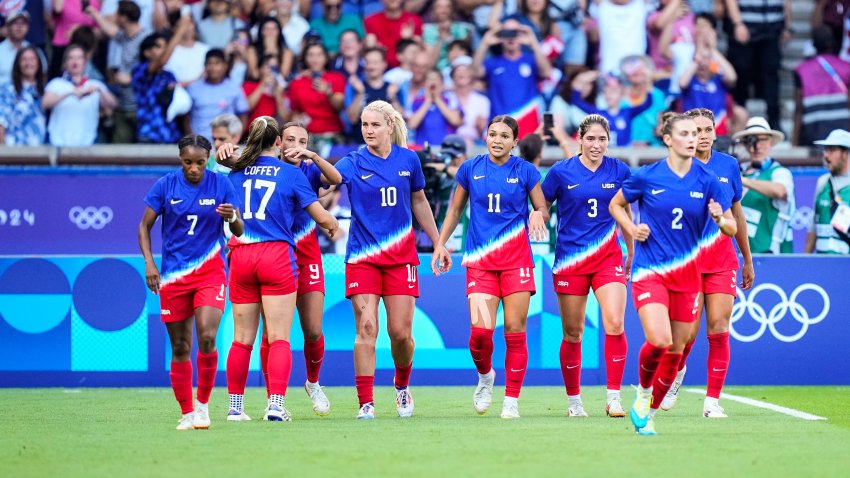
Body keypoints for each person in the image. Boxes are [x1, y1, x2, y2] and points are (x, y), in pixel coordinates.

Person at [609, 113, 736, 435]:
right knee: (660, 340)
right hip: (650, 270)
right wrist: (631, 228)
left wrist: (721, 220)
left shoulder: (708, 180)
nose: (693, 138)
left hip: (688, 276)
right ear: (668, 139)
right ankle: (642, 391)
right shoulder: (647, 176)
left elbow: (732, 226)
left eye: (696, 133)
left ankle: (648, 412)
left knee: (678, 350)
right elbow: (615, 204)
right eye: (685, 133)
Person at [220, 116, 339, 422]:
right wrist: (331, 223)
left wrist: (224, 153)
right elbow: (323, 217)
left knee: (241, 338)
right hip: (276, 256)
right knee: (280, 338)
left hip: (242, 255)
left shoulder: (234, 174)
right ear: (278, 142)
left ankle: (236, 407)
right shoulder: (290, 174)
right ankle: (275, 404)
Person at [431, 115, 548, 419]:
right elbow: (456, 209)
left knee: (514, 329)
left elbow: (542, 207)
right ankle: (485, 377)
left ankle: (511, 400)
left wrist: (539, 215)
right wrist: (440, 243)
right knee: (481, 334)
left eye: (504, 136)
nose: (497, 140)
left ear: (514, 142)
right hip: (481, 263)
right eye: (492, 134)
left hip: (517, 262)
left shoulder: (526, 171)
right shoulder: (471, 168)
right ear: (486, 137)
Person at [334, 100, 440, 419]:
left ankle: (402, 387)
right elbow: (326, 183)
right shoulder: (352, 162)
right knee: (367, 328)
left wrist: (438, 243)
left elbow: (419, 201)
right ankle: (366, 403)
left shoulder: (409, 160)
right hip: (363, 258)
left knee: (401, 334)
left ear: (389, 127)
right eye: (364, 125)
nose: (368, 130)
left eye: (375, 125)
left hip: (401, 259)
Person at [138, 134, 244, 431]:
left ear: (208, 159)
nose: (194, 168)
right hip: (174, 276)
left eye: (199, 162)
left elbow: (239, 229)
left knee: (208, 336)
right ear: (180, 159)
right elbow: (144, 226)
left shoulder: (221, 184)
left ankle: (203, 407)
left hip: (211, 272)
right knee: (181, 346)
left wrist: (232, 215)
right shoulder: (166, 185)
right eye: (188, 162)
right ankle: (186, 412)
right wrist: (149, 263)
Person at [659, 108, 756, 417]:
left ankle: (712, 402)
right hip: (687, 263)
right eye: (695, 130)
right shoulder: (676, 167)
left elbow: (737, 214)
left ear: (716, 132)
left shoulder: (728, 165)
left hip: (722, 260)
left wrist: (747, 259)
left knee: (718, 327)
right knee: (685, 334)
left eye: (707, 129)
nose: (702, 135)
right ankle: (677, 373)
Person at [540, 114, 632, 418]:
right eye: (590, 138)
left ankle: (614, 397)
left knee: (615, 323)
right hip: (571, 260)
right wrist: (536, 216)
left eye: (602, 139)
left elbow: (626, 213)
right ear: (579, 139)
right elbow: (542, 204)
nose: (596, 144)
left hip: (608, 258)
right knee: (573, 333)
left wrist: (631, 251)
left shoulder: (619, 170)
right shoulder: (561, 172)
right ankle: (574, 402)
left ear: (609, 141)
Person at [472, 18, 551, 137]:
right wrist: (485, 42)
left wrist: (533, 41)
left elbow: (546, 72)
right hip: (500, 125)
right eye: (506, 33)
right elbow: (475, 72)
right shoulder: (493, 62)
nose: (511, 37)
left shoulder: (530, 59)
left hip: (528, 123)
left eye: (515, 32)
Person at [733, 117, 795, 253]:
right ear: (744, 143)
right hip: (741, 254)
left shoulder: (779, 172)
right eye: (752, 140)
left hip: (771, 253)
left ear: (771, 142)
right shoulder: (737, 170)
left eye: (763, 140)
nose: (757, 145)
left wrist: (742, 180)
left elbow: (780, 190)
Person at [42, 44, 117, 147]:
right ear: (65, 63)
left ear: (85, 62)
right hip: (57, 142)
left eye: (79, 58)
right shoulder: (56, 83)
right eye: (71, 58)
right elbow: (45, 103)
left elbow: (113, 105)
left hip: (87, 143)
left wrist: (100, 91)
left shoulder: (95, 84)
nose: (75, 61)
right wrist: (71, 93)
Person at [793, 25, 850, 146]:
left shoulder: (802, 70)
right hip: (843, 129)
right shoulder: (846, 67)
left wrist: (794, 141)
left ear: (813, 45)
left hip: (813, 131)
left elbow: (799, 108)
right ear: (833, 43)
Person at [287, 42, 346, 141]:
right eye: (311, 55)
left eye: (319, 55)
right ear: (305, 58)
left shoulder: (336, 78)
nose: (315, 59)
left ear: (326, 58)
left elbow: (339, 107)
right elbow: (294, 112)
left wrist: (329, 93)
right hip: (307, 135)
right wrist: (296, 118)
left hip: (332, 133)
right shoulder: (296, 83)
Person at [187, 49, 249, 141]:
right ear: (204, 65)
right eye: (209, 63)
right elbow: (186, 118)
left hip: (225, 144)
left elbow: (243, 116)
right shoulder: (193, 88)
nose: (212, 67)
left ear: (225, 65)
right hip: (198, 145)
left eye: (217, 63)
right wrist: (192, 139)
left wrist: (235, 139)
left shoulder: (234, 88)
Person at [806, 129, 850, 254]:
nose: (826, 155)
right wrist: (805, 261)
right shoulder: (822, 182)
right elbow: (813, 226)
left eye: (832, 150)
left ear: (845, 154)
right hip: (822, 266)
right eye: (825, 150)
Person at [0, 47, 47, 146]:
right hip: (13, 150)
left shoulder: (46, 90)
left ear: (39, 63)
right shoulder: (7, 89)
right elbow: (1, 122)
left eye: (32, 59)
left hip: (41, 152)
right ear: (18, 64)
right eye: (24, 60)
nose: (28, 63)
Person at [406, 68, 462, 146]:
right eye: (429, 79)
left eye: (436, 79)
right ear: (424, 84)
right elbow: (412, 124)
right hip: (423, 148)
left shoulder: (451, 99)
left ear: (442, 83)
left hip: (446, 148)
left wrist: (437, 99)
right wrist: (428, 101)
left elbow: (456, 120)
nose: (433, 81)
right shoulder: (417, 101)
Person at [364, 0, 423, 68]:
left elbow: (421, 54)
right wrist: (370, 47)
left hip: (408, 70)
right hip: (380, 70)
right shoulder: (370, 21)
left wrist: (410, 39)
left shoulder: (414, 21)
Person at [246, 16, 294, 81]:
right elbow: (254, 74)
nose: (271, 32)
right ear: (262, 31)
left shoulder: (287, 52)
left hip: (278, 88)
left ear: (279, 31)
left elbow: (282, 76)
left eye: (274, 29)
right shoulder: (252, 50)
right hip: (257, 85)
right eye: (267, 29)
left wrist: (272, 50)